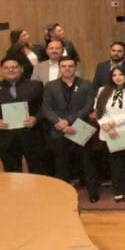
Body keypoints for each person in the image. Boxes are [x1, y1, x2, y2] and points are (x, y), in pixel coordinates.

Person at [0, 56, 48, 174]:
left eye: (14, 67)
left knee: (40, 171)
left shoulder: (35, 85)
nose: (11, 70)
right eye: (6, 68)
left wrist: (36, 118)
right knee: (13, 175)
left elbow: (47, 107)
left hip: (33, 137)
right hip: (6, 139)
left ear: (21, 69)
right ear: (1, 71)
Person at [42, 57, 97, 200]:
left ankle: (93, 193)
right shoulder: (50, 86)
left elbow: (88, 107)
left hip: (81, 127)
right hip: (59, 129)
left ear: (75, 67)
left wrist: (68, 121)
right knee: (61, 164)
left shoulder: (87, 84)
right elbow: (46, 108)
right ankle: (63, 195)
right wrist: (60, 123)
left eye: (70, 66)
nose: (67, 68)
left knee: (87, 162)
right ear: (60, 68)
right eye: (64, 66)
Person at [95, 66, 125, 201]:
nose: (118, 77)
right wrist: (106, 126)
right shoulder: (102, 90)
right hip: (109, 132)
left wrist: (112, 123)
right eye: (114, 75)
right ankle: (118, 188)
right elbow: (98, 110)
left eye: (121, 74)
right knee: (115, 161)